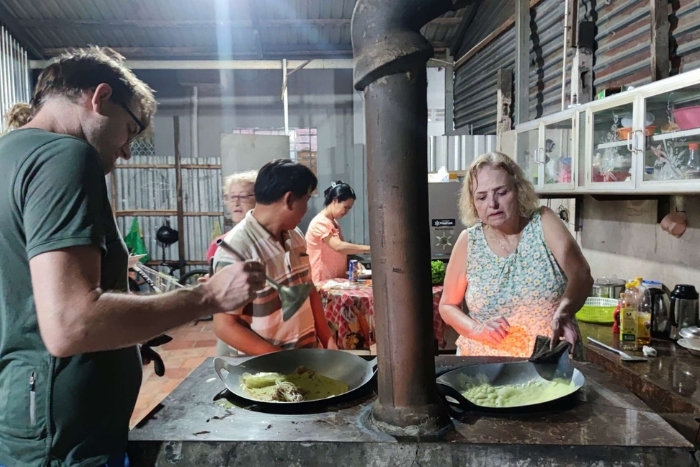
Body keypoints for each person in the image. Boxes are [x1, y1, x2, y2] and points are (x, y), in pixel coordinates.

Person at [0, 47, 265, 467]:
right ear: (100, 97)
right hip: (66, 436)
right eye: (130, 128)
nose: (126, 151)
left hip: (33, 417)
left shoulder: (10, 154)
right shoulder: (64, 155)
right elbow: (71, 324)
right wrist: (207, 297)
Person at [439, 152, 593, 358]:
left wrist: (564, 311)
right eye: (482, 197)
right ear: (473, 202)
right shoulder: (469, 241)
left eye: (501, 193)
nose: (492, 204)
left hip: (549, 359)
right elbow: (447, 305)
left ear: (518, 190)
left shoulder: (543, 222)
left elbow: (581, 274)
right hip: (485, 366)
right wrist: (476, 329)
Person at [213, 159, 336, 356]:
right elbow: (225, 326)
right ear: (289, 200)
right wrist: (281, 360)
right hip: (266, 369)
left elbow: (308, 289)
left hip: (304, 357)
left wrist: (327, 339)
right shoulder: (237, 250)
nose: (306, 209)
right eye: (306, 200)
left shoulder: (295, 236)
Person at [305, 180, 370, 283]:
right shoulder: (320, 223)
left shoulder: (333, 222)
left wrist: (352, 262)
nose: (346, 212)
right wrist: (370, 249)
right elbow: (339, 246)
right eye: (345, 207)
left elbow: (339, 252)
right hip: (322, 281)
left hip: (335, 280)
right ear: (335, 201)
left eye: (349, 208)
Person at [205, 170, 258, 262]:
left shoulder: (270, 237)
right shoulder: (220, 244)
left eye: (243, 196)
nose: (236, 203)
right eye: (232, 197)